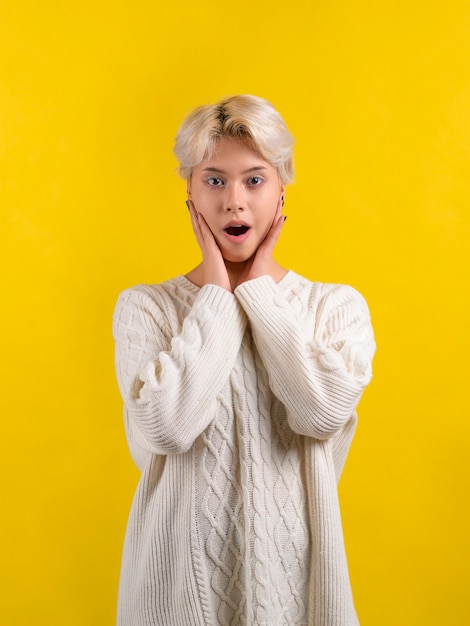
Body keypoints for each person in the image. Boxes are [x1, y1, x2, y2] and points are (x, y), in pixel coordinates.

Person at [112, 94, 375, 626]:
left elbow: (321, 413)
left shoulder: (335, 307)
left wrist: (259, 296)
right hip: (176, 596)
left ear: (282, 186)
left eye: (254, 179)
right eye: (214, 179)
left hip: (300, 593)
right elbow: (165, 428)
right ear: (188, 188)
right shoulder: (145, 308)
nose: (234, 201)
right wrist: (215, 298)